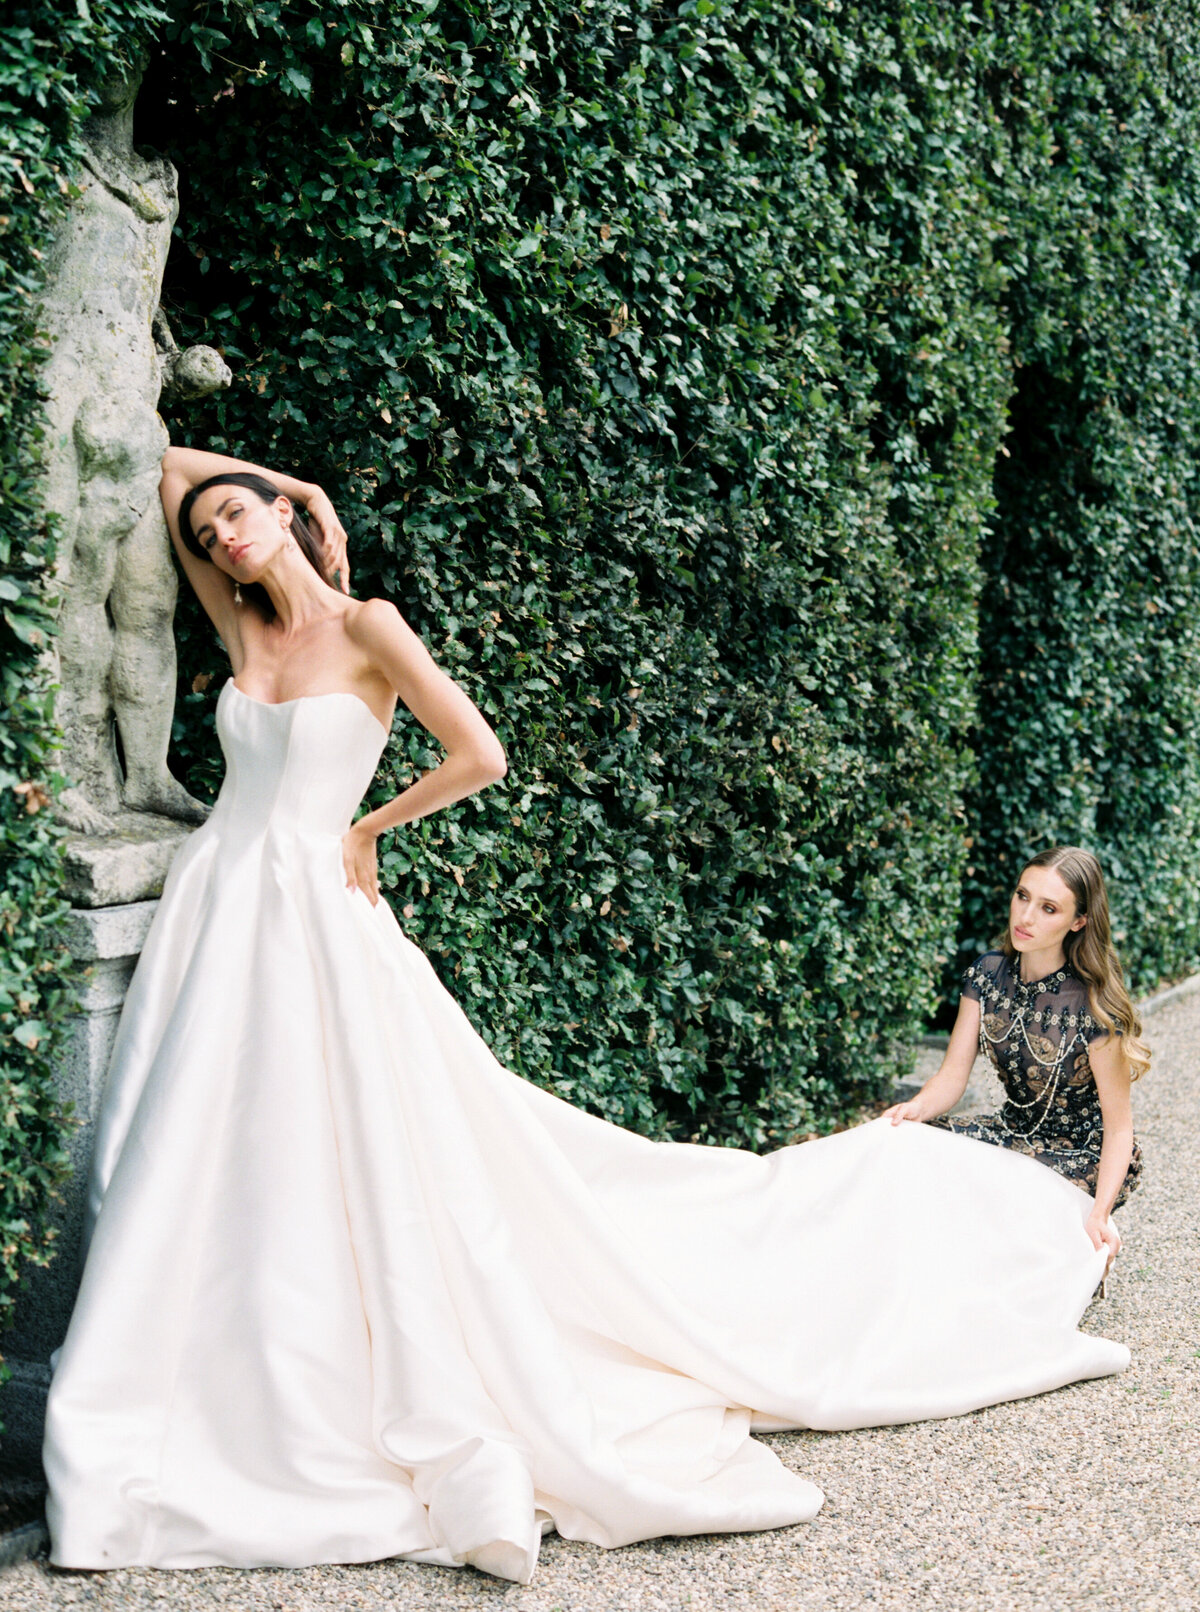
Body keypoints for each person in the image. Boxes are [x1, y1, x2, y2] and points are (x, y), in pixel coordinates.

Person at [44, 449, 1131, 1585]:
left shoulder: (368, 626)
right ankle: (209, 1370)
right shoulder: (242, 625)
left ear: (285, 523)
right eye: (215, 530)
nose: (221, 534)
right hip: (216, 911)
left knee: (357, 1143)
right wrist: (281, 489)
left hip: (317, 911)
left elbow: (480, 754)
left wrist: (371, 827)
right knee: (211, 1147)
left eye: (244, 516)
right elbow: (165, 467)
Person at [883, 846, 1147, 1278]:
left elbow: (1119, 1129)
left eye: (1048, 908)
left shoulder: (1097, 1009)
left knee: (1015, 1217)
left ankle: (1074, 1239)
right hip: (1012, 1133)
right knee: (910, 1144)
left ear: (1078, 922)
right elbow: (952, 1075)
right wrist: (915, 1110)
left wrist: (1098, 1215)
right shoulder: (987, 975)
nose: (1025, 917)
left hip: (1079, 1155)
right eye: (1022, 896)